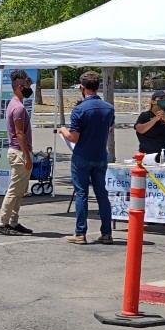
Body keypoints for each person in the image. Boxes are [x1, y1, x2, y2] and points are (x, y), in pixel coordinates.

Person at [61, 70, 115, 244]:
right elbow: (109, 129)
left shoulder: (79, 109)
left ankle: (80, 233)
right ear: (98, 87)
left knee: (81, 194)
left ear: (82, 88)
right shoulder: (108, 108)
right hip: (100, 155)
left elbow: (73, 137)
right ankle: (106, 232)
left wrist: (62, 129)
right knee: (102, 194)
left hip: (82, 155)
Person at [0, 70, 33, 236]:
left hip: (18, 152)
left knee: (20, 191)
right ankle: (3, 223)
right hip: (19, 152)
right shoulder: (18, 108)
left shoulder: (15, 104)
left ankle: (13, 221)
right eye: (27, 86)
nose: (29, 89)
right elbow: (20, 134)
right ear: (20, 87)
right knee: (14, 190)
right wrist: (27, 155)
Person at [134, 90, 165, 161]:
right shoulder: (145, 116)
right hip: (148, 158)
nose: (164, 101)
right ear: (153, 101)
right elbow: (140, 129)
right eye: (161, 98)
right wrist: (155, 119)